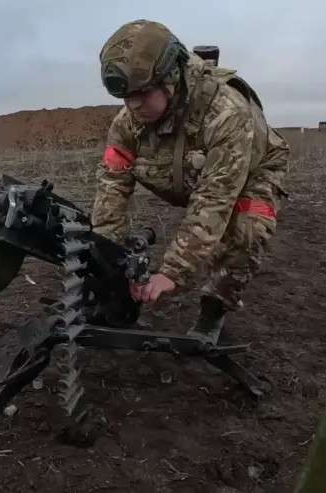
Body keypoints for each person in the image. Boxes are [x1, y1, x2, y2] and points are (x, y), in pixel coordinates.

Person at [92, 19, 289, 344]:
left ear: (171, 79)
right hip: (186, 172)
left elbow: (214, 201)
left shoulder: (226, 115)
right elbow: (111, 187)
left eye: (142, 93)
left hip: (250, 173)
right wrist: (106, 255)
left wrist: (172, 273)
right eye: (126, 96)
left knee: (244, 231)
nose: (133, 105)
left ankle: (214, 311)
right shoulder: (127, 123)